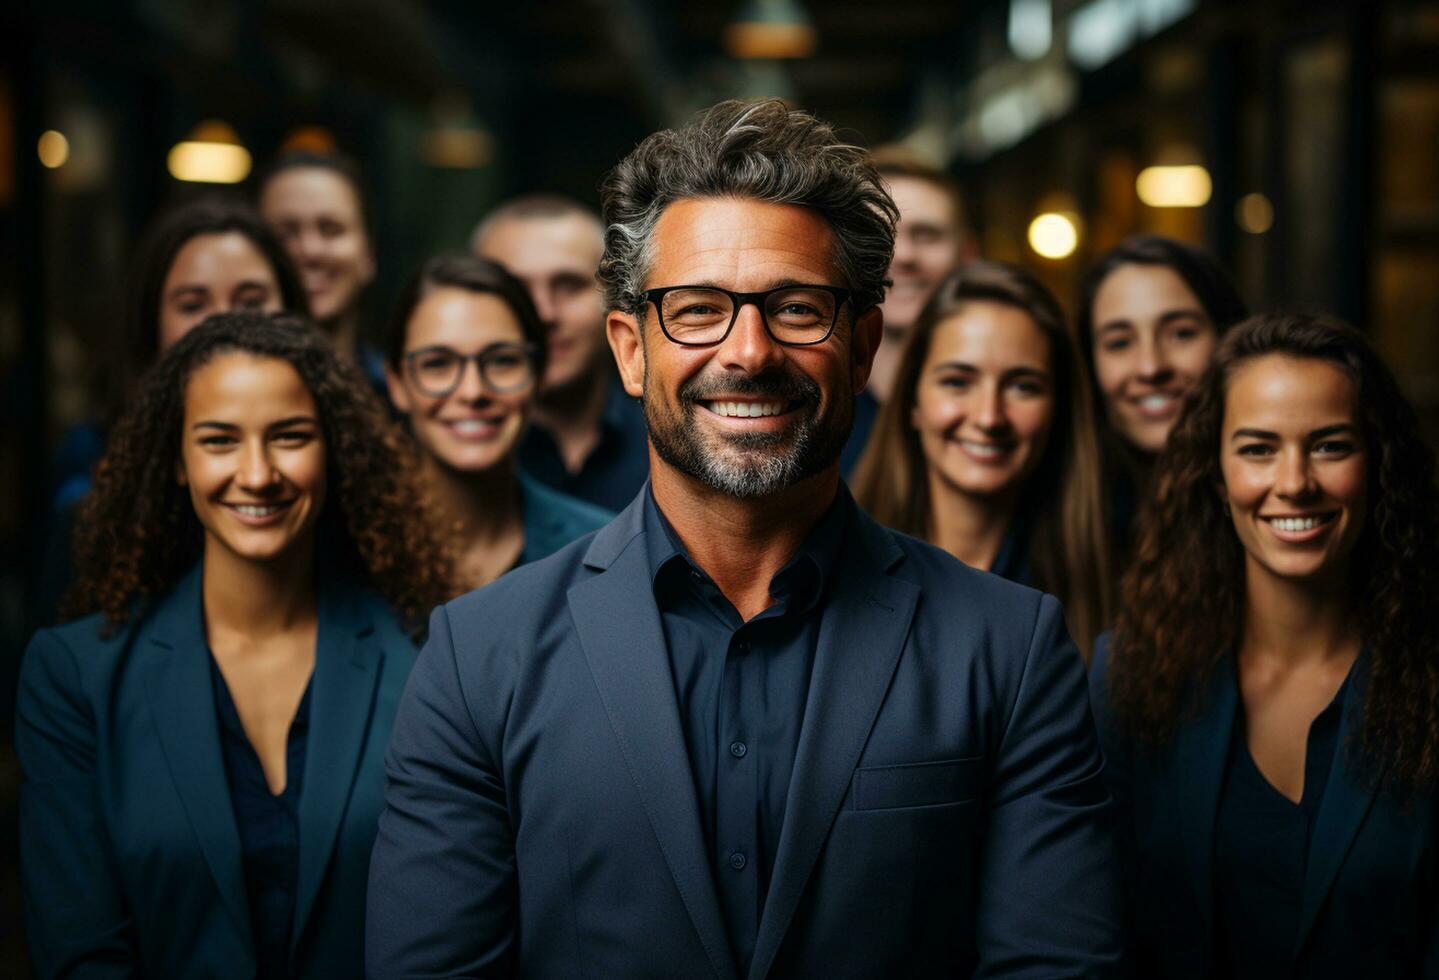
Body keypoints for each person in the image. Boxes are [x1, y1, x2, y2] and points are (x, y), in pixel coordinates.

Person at [367, 98, 1121, 979]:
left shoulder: (1008, 649)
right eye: (696, 309)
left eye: (797, 308)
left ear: (866, 345)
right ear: (630, 348)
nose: (750, 351)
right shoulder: (479, 659)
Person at [17, 314, 454, 978]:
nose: (257, 473)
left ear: (333, 449)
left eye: (290, 436)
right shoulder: (75, 677)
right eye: (219, 440)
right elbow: (79, 953)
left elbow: (452, 933)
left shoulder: (430, 658)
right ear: (176, 462)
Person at [1090, 313, 1439, 977]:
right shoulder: (1126, 679)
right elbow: (1100, 935)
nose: (1293, 482)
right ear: (1215, 475)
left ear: (1378, 464)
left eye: (1329, 446)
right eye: (1258, 448)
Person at [38, 196, 310, 626]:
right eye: (192, 304)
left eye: (251, 300)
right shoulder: (91, 508)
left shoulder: (326, 487)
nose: (223, 323)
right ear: (152, 326)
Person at [853, 260, 1111, 648]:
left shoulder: (1110, 584)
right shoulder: (836, 561)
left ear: (1059, 408)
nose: (990, 417)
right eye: (957, 382)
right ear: (912, 401)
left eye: (1023, 387)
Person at [385, 253, 612, 590]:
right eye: (437, 364)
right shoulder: (341, 551)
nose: (473, 391)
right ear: (397, 383)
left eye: (503, 360)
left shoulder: (603, 551)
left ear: (538, 375)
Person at [472, 194, 649, 511]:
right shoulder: (445, 453)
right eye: (515, 290)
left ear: (617, 296)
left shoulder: (670, 440)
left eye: (569, 285)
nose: (543, 313)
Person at [1077, 234, 1247, 557]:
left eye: (1181, 333)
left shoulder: (1270, 506)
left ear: (1228, 339)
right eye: (1119, 342)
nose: (1151, 367)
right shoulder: (1066, 527)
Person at [842, 147, 973, 474]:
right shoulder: (812, 405)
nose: (903, 256)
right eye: (880, 235)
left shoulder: (993, 409)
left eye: (927, 235)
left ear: (968, 254)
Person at [257, 150, 382, 379]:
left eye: (330, 229)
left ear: (369, 255)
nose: (310, 250)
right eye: (286, 233)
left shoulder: (400, 398)